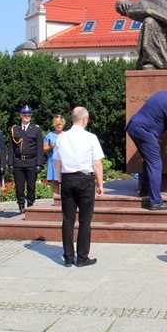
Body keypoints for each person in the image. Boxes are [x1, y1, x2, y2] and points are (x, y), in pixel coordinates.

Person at [54, 106, 105, 267]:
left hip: (68, 179)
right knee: (85, 221)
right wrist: (100, 184)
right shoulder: (90, 137)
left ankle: (68, 258)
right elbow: (97, 163)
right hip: (85, 180)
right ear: (84, 119)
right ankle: (82, 258)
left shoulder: (62, 137)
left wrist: (61, 181)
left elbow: (57, 161)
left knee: (67, 221)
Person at [126, 85, 167, 210]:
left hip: (134, 126)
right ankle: (156, 202)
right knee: (155, 164)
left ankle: (144, 190)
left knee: (148, 159)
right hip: (145, 130)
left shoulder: (161, 94)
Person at [8, 105, 44, 214]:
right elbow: (11, 148)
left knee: (31, 185)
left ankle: (30, 204)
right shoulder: (15, 129)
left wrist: (39, 164)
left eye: (29, 115)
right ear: (20, 115)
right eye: (24, 115)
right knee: (19, 186)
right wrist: (10, 163)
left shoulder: (36, 129)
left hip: (31, 161)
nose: (27, 117)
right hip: (18, 161)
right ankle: (21, 205)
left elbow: (39, 148)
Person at [44, 115, 66, 199]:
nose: (58, 126)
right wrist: (50, 147)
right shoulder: (49, 135)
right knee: (55, 181)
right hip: (53, 160)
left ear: (63, 124)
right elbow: (43, 148)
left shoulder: (66, 135)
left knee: (65, 181)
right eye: (57, 124)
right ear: (54, 124)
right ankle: (56, 199)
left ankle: (65, 199)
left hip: (64, 161)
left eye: (60, 124)